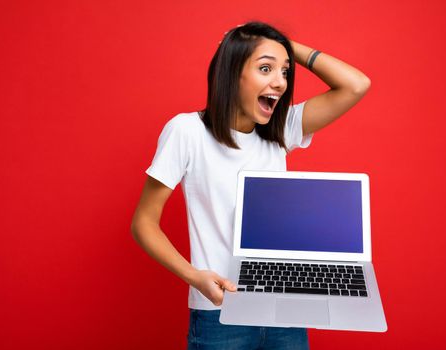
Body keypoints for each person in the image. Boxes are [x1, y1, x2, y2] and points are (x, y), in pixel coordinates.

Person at [131, 21, 371, 350]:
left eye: (284, 72)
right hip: (219, 312)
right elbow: (144, 222)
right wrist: (194, 276)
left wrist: (284, 45)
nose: (279, 82)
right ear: (232, 73)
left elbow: (356, 85)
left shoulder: (280, 129)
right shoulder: (187, 132)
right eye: (265, 68)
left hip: (284, 309)